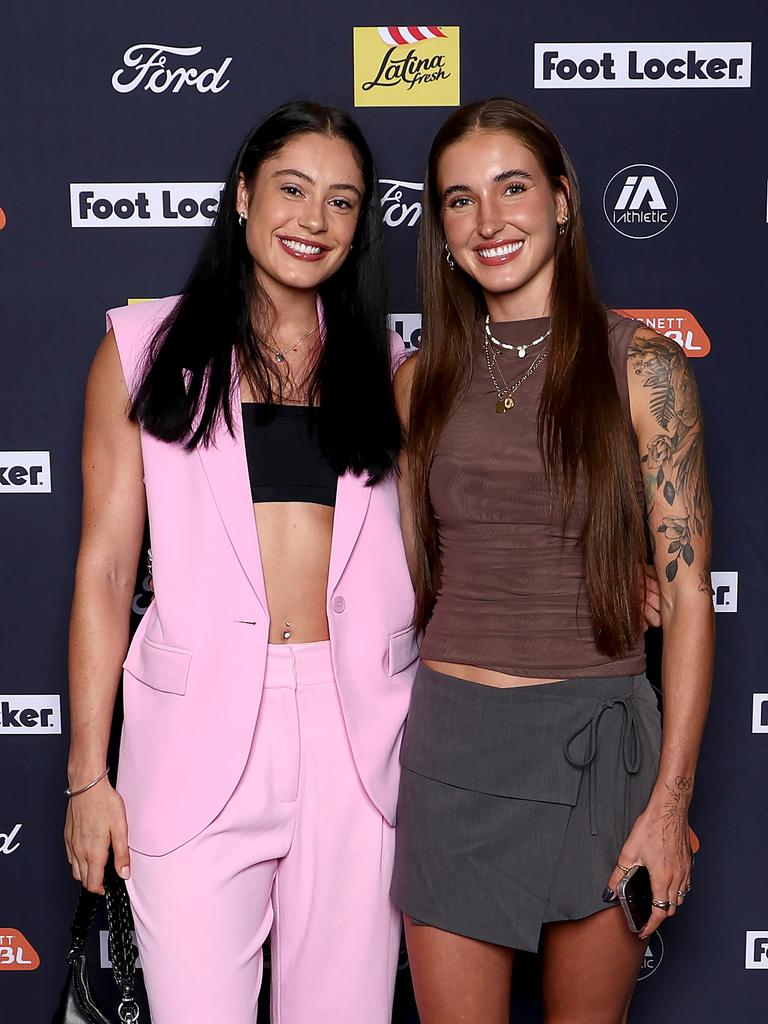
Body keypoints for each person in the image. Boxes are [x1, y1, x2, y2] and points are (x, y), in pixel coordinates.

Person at [64, 100, 418, 1024]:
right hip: (190, 745)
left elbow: (456, 544)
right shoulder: (139, 350)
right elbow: (105, 572)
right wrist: (85, 775)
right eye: (293, 190)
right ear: (242, 193)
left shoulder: (390, 367)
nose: (313, 220)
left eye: (342, 203)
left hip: (359, 740)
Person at [391, 97, 714, 1024]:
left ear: (564, 201)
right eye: (460, 199)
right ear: (441, 227)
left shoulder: (643, 367)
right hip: (454, 749)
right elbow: (406, 574)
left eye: (513, 187)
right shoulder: (420, 383)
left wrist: (668, 805)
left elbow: (689, 599)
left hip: (597, 751)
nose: (489, 221)